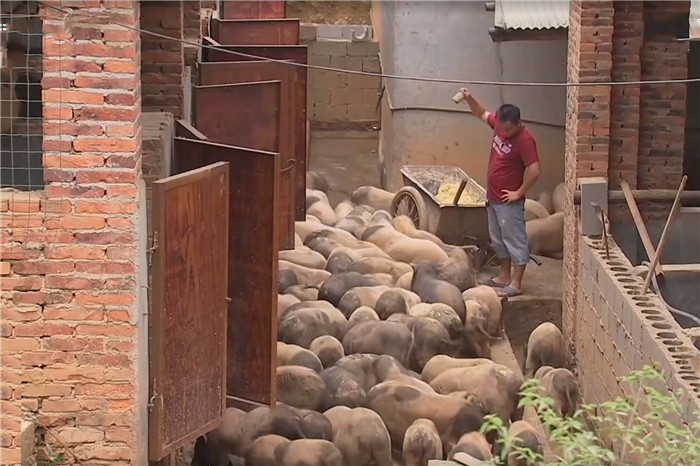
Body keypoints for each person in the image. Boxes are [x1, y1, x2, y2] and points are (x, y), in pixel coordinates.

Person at [457, 87, 541, 297]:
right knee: (497, 238)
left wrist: (519, 192)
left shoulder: (525, 140)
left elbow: (534, 169)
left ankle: (516, 283)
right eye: (501, 128)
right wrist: (469, 98)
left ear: (518, 124)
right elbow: (481, 113)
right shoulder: (499, 124)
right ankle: (504, 276)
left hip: (508, 201)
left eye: (508, 130)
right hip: (493, 196)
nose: (503, 133)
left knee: (515, 239)